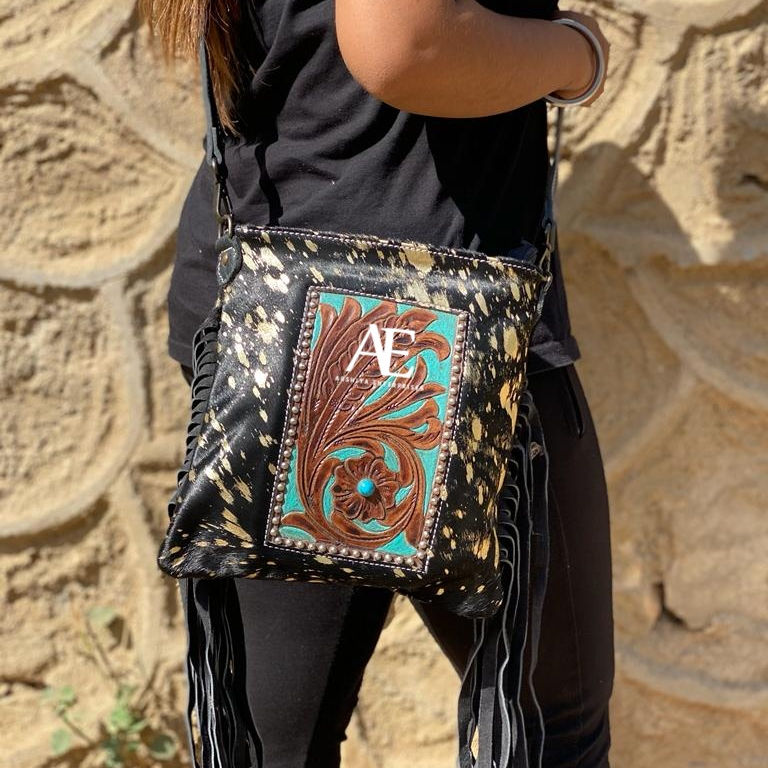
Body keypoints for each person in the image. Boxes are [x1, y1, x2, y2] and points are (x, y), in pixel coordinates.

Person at [140, 1, 614, 766]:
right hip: (433, 329)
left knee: (277, 744)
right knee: (545, 724)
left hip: (272, 310)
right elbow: (404, 45)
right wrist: (576, 53)